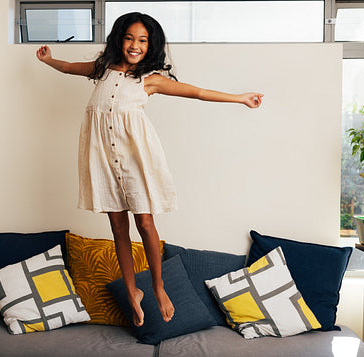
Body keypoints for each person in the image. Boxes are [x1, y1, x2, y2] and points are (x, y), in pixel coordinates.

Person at [36, 12, 263, 328]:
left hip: (135, 160)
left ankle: (157, 286)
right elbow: (71, 68)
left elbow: (195, 92)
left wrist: (239, 98)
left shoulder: (150, 80)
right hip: (102, 160)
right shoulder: (102, 70)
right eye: (129, 37)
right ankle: (132, 291)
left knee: (144, 222)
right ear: (120, 38)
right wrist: (49, 60)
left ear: (150, 45)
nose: (135, 45)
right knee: (118, 228)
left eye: (142, 40)